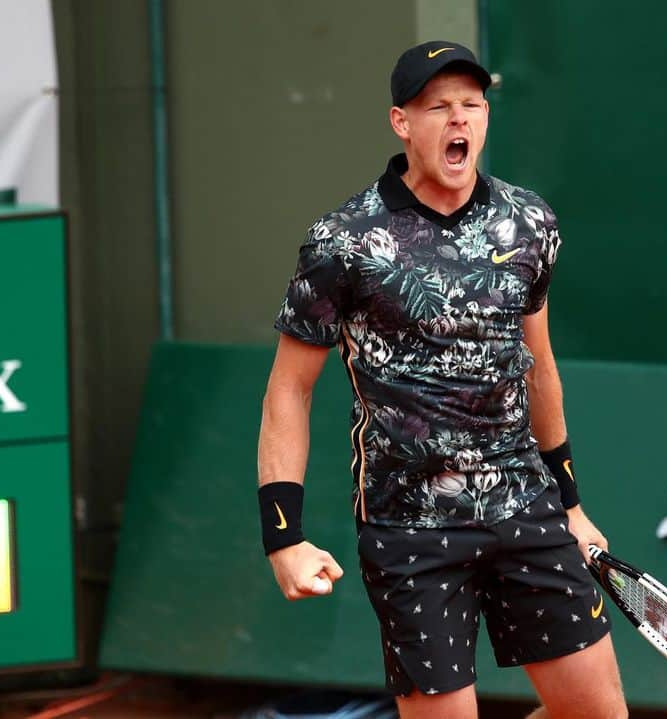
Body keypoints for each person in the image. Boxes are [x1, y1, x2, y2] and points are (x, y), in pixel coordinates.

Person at [257, 40, 627, 719]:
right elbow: (289, 388)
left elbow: (537, 366)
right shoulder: (343, 242)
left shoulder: (529, 221)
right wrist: (284, 534)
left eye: (472, 105)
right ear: (403, 122)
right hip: (410, 528)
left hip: (523, 505)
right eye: (439, 108)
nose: (459, 120)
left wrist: (570, 501)